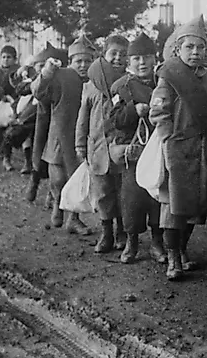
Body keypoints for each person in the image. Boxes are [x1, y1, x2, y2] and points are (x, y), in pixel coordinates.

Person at [149, 20, 207, 282]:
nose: (195, 52)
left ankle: (183, 249)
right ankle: (173, 257)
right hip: (176, 148)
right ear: (178, 50)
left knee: (196, 206)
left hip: (202, 148)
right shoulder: (169, 76)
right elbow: (158, 112)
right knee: (172, 207)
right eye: (189, 47)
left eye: (200, 47)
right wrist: (168, 140)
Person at [109, 33, 167, 264]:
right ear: (129, 62)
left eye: (147, 57)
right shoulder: (121, 87)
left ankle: (157, 242)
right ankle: (131, 242)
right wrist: (134, 110)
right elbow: (114, 119)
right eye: (137, 59)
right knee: (132, 199)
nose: (142, 63)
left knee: (157, 196)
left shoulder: (163, 83)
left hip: (159, 150)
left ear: (155, 58)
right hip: (133, 152)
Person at [33, 36, 94, 235]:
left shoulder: (96, 80)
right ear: (70, 61)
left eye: (87, 61)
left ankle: (73, 219)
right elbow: (38, 91)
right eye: (79, 61)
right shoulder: (61, 76)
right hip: (60, 135)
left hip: (84, 138)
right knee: (58, 177)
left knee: (77, 180)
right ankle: (57, 202)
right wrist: (47, 73)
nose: (83, 65)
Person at [76, 35, 129, 254]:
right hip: (97, 148)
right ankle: (106, 232)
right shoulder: (91, 85)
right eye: (113, 53)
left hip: (121, 146)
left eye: (123, 54)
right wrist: (80, 144)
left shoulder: (128, 82)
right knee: (103, 193)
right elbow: (83, 117)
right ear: (103, 55)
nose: (118, 58)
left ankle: (122, 231)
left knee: (122, 192)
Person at [24, 44, 68, 202]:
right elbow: (28, 88)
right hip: (42, 123)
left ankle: (52, 192)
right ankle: (34, 181)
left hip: (59, 123)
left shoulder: (63, 79)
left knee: (56, 160)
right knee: (39, 154)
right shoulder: (40, 79)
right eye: (40, 65)